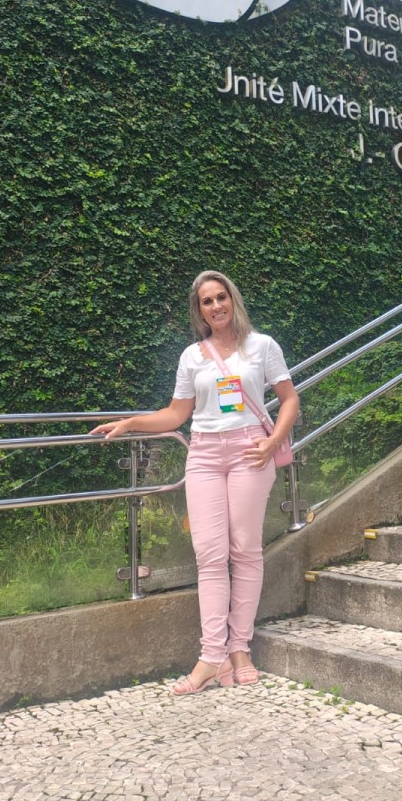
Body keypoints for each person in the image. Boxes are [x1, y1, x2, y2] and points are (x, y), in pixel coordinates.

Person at [91, 270, 299, 694]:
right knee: (209, 555)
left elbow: (290, 398)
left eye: (221, 297)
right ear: (199, 311)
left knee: (245, 550)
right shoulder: (192, 356)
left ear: (233, 300)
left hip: (249, 451)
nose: (216, 305)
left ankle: (239, 649)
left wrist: (272, 442)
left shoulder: (262, 346)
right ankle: (211, 657)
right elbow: (176, 414)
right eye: (207, 301)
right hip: (203, 454)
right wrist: (130, 423)